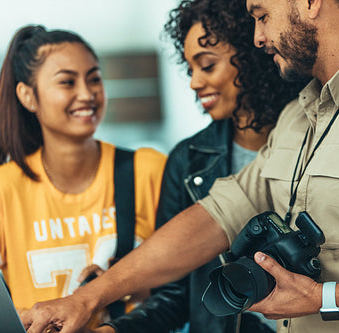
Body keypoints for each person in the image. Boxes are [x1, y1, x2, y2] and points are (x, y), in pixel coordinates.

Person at [22, 1, 339, 332]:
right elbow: (219, 214)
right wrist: (89, 297)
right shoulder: (298, 116)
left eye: (262, 15)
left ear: (310, 2)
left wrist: (325, 299)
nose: (257, 37)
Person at [91, 0, 306, 332]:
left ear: (251, 56)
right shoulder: (187, 161)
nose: (194, 82)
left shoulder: (314, 134)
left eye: (207, 65)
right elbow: (174, 297)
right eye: (190, 68)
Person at [0, 25, 166, 328]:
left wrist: (123, 285)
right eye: (67, 82)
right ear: (28, 96)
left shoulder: (149, 169)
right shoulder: (1, 189)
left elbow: (183, 284)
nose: (86, 94)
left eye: (94, 79)